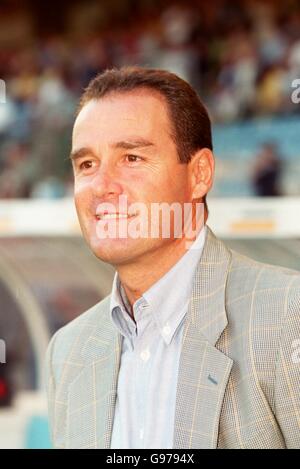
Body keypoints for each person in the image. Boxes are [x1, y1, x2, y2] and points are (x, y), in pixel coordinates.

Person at [46, 67, 300, 449]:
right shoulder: (66, 352)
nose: (101, 186)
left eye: (131, 158)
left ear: (199, 174)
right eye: (86, 164)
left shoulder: (287, 315)